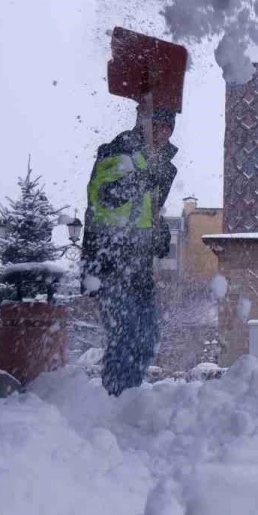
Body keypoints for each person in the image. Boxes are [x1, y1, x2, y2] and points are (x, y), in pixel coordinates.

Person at [82, 100, 178, 396]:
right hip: (109, 261)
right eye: (158, 124)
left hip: (138, 266)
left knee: (147, 338)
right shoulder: (117, 150)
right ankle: (115, 399)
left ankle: (127, 398)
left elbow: (148, 211)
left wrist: (160, 234)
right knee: (124, 336)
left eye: (169, 126)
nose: (164, 132)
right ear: (142, 121)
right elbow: (105, 196)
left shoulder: (160, 163)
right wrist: (142, 177)